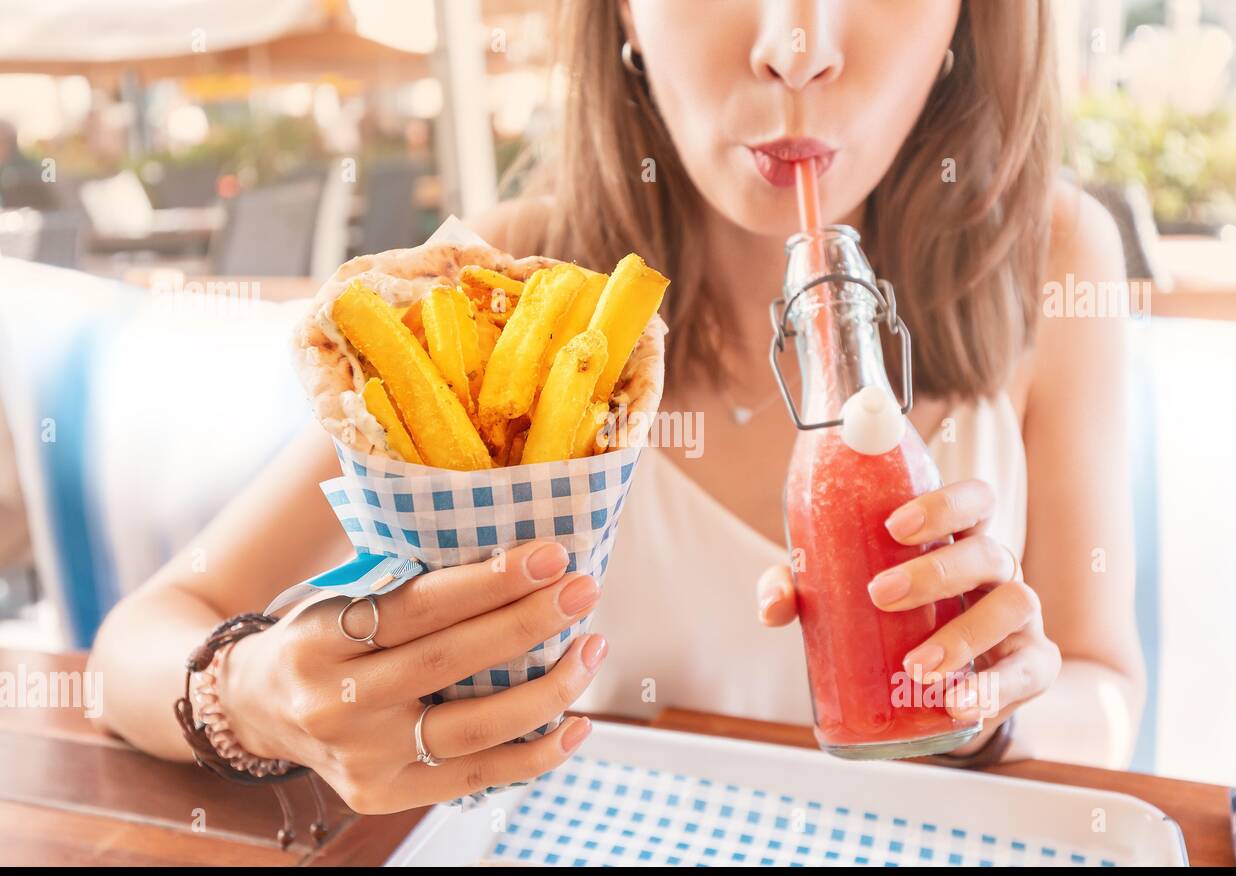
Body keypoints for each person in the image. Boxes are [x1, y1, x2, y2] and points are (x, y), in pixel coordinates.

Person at [91, 0, 1143, 814]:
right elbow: (137, 645)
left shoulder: (1051, 257)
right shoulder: (506, 292)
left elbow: (1103, 684)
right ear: (625, 16)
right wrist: (267, 698)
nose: (795, 48)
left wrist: (999, 709)